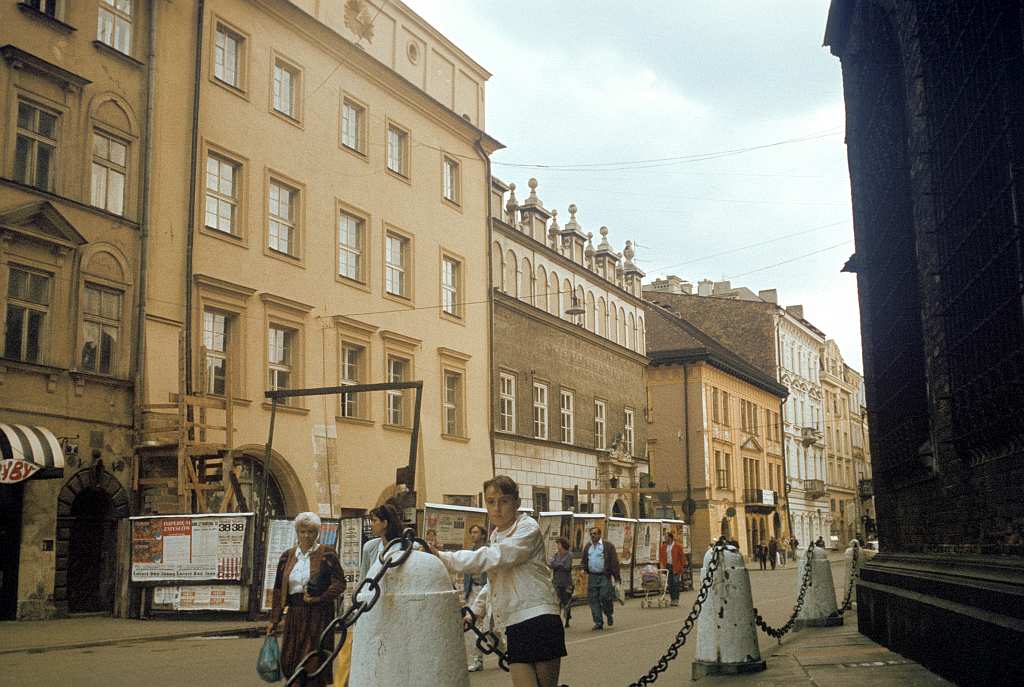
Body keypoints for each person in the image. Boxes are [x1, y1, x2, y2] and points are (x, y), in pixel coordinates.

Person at [433, 476, 565, 687]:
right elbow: (495, 579)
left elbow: (498, 557)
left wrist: (445, 558)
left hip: (539, 617)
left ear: (516, 502)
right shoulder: (496, 536)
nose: (496, 508)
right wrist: (477, 610)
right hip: (514, 623)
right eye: (491, 502)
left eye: (503, 501)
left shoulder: (527, 528)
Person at [267, 512, 346, 687]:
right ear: (297, 533)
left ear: (317, 533)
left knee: (313, 662)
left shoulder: (327, 554)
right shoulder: (287, 556)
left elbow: (339, 584)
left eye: (311, 532)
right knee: (290, 660)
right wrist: (274, 619)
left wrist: (319, 598)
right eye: (302, 532)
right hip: (295, 615)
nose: (306, 536)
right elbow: (279, 589)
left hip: (318, 616)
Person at [581, 527, 621, 630]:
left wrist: (616, 578)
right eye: (591, 534)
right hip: (593, 576)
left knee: (605, 597)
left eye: (594, 533)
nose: (593, 535)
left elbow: (614, 562)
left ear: (599, 535)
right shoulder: (588, 547)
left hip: (604, 576)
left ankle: (608, 613)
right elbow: (584, 560)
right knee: (593, 599)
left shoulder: (608, 546)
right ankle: (598, 622)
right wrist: (584, 569)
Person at [464, 523, 489, 672]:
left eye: (475, 532)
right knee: (475, 628)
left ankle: (504, 650)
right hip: (472, 591)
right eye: (471, 532)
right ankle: (478, 661)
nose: (473, 535)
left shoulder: (488, 551)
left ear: (483, 535)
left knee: (489, 628)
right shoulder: (470, 552)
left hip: (485, 590)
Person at [360, 502, 404, 580]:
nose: (371, 524)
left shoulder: (405, 546)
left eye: (374, 521)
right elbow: (364, 577)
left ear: (384, 523)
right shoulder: (369, 547)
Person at [548, 536, 573, 627]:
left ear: (563, 544)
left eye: (559, 544)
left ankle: (567, 619)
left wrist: (556, 564)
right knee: (557, 601)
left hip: (566, 582)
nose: (557, 546)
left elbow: (567, 566)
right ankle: (558, 619)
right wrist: (558, 564)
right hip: (557, 581)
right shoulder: (556, 555)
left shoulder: (569, 555)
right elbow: (551, 564)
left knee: (566, 601)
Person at [658, 531, 685, 606]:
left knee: (675, 583)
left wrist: (682, 567)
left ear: (670, 538)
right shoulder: (663, 547)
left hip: (676, 566)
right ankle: (672, 599)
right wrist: (662, 565)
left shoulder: (678, 546)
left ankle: (676, 599)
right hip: (668, 566)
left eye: (666, 537)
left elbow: (682, 557)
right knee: (670, 583)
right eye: (665, 537)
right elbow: (661, 557)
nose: (665, 538)